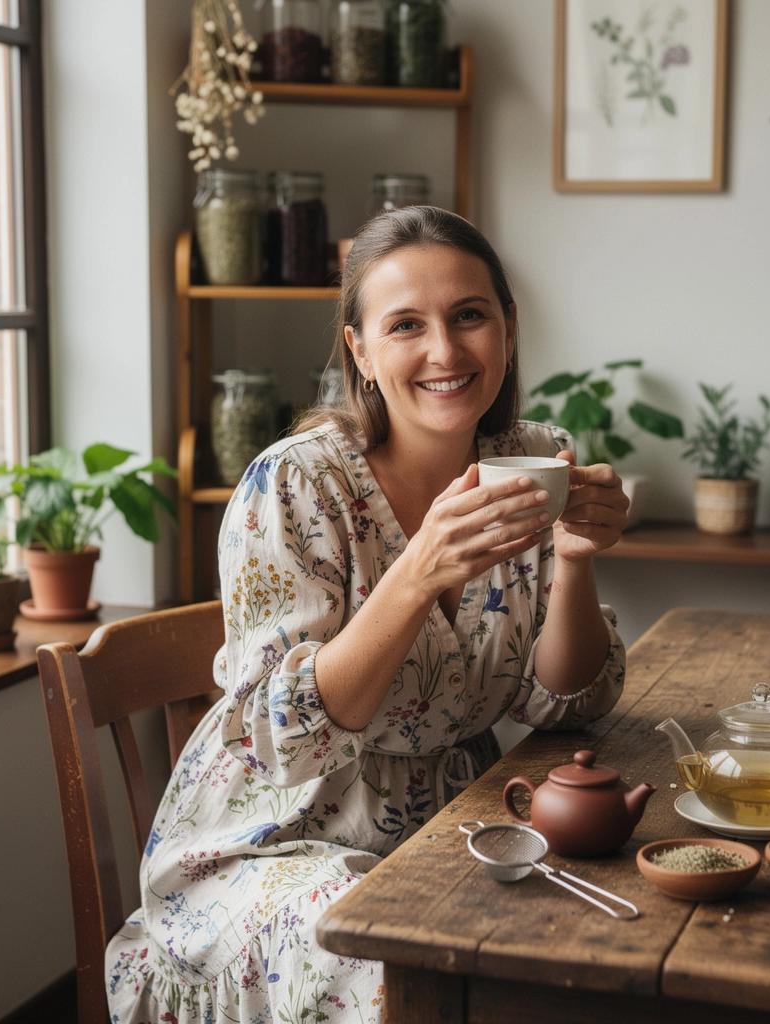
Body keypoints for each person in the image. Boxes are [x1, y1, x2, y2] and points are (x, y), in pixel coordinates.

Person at [106, 206, 630, 1023]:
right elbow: (287, 737)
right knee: (389, 949)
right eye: (406, 325)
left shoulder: (531, 460)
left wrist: (575, 557)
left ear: (508, 327)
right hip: (271, 843)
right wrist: (416, 574)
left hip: (452, 824)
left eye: (469, 316)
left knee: (588, 943)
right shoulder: (295, 484)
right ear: (360, 350)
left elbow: (565, 702)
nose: (445, 352)